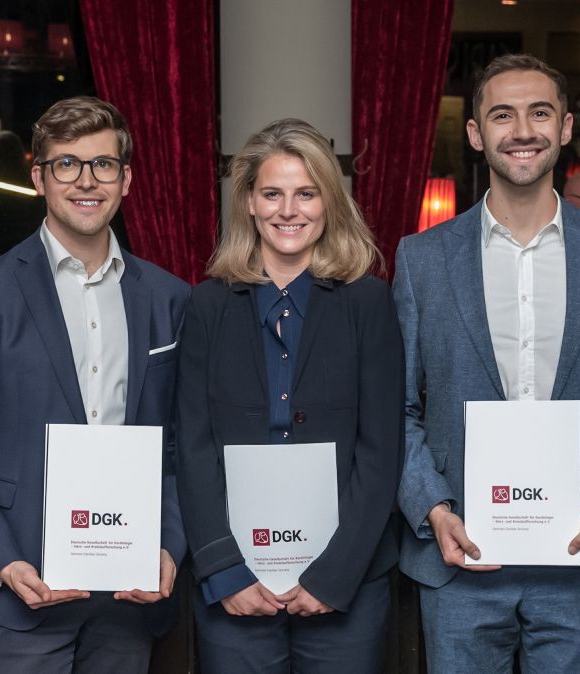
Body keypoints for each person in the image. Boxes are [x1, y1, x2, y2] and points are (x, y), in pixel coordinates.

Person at [394, 54, 580, 672]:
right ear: (475, 133)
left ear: (565, 127)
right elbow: (396, 407)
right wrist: (432, 509)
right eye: (502, 115)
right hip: (461, 557)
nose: (522, 131)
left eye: (539, 113)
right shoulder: (421, 259)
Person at [0, 96, 188, 673]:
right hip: (19, 591)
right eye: (67, 164)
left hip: (128, 598)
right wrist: (0, 560)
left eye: (103, 164)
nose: (86, 180)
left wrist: (169, 546)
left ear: (126, 180)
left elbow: (177, 450)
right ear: (39, 178)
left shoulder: (170, 299)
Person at [176, 119, 403, 672]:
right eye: (272, 194)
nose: (288, 210)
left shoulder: (369, 303)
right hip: (236, 584)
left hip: (347, 583)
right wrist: (223, 570)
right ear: (249, 203)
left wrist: (334, 575)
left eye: (306, 193)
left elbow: (381, 452)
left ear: (329, 203)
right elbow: (193, 447)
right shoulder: (207, 306)